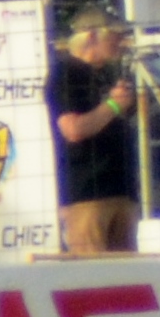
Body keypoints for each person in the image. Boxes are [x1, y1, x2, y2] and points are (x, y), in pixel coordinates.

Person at [49, 13, 148, 254]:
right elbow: (73, 129)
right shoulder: (65, 73)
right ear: (92, 36)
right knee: (93, 276)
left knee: (127, 280)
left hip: (123, 191)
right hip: (88, 195)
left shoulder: (108, 72)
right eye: (114, 35)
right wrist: (114, 105)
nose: (120, 41)